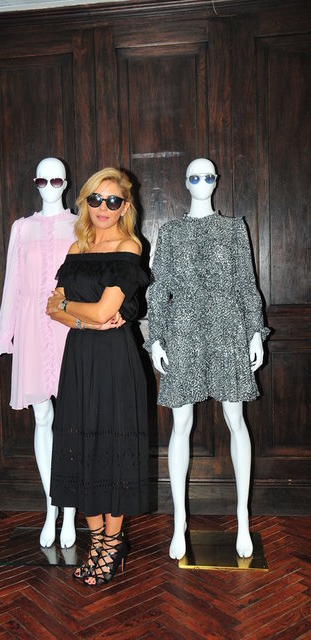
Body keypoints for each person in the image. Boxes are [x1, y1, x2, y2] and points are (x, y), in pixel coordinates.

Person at [147, 158, 270, 560]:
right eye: (194, 177)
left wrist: (255, 331)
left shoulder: (234, 229)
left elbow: (247, 284)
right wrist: (156, 338)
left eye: (208, 176)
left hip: (227, 330)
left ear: (216, 181)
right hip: (182, 333)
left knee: (236, 419)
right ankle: (179, 521)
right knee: (180, 423)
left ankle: (243, 518)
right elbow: (158, 288)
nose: (202, 182)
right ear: (185, 183)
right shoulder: (170, 232)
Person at [46, 167, 149, 587]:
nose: (103, 207)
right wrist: (80, 318)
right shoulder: (77, 247)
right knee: (80, 445)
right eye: (95, 199)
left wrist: (69, 308)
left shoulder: (129, 245)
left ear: (125, 207)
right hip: (79, 357)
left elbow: (106, 311)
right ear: (84, 202)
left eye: (112, 201)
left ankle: (113, 541)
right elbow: (51, 308)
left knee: (112, 444)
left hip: (113, 359)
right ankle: (96, 540)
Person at [0, 157, 76, 548]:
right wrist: (4, 335)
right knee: (42, 418)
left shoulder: (81, 225)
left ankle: (71, 511)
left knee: (71, 421)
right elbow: (13, 284)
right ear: (35, 183)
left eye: (56, 180)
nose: (49, 187)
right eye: (42, 180)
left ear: (66, 183)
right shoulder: (21, 228)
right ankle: (51, 507)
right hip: (33, 330)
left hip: (70, 327)